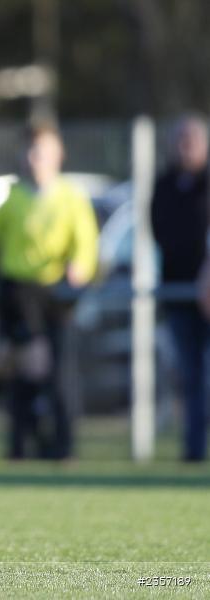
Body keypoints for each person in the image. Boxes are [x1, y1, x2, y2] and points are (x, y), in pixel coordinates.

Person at [0, 123, 99, 460]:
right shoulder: (12, 199)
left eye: (41, 152)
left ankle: (49, 445)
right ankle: (27, 445)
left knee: (30, 368)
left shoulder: (71, 197)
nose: (34, 158)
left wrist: (80, 265)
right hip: (17, 295)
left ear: (58, 156)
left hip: (55, 296)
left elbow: (86, 240)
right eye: (30, 151)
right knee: (32, 365)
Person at [150, 114, 209, 462]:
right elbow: (157, 229)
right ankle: (194, 451)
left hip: (208, 292)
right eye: (179, 140)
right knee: (189, 376)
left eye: (191, 140)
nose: (184, 147)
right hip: (177, 293)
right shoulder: (164, 184)